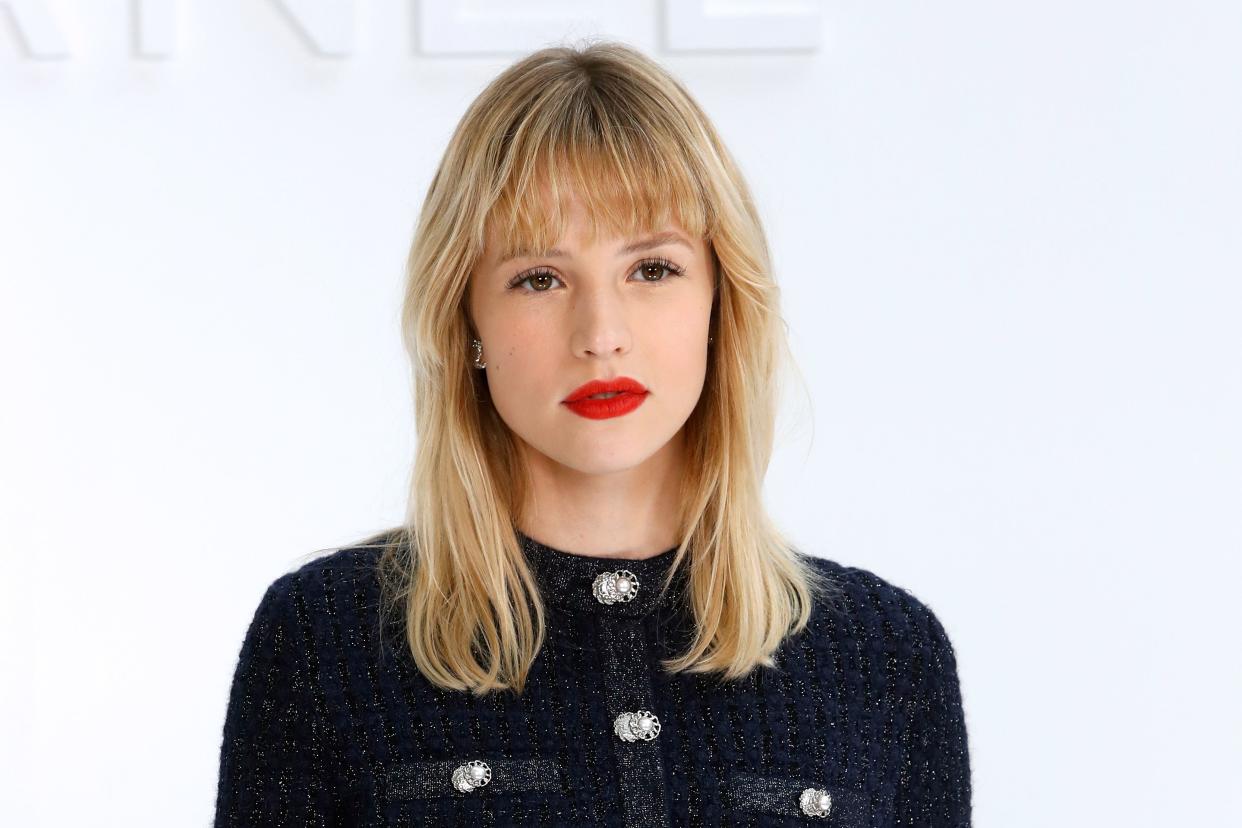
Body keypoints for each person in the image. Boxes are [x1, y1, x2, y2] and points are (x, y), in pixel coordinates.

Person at [213, 40, 971, 827]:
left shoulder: (887, 658)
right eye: (539, 278)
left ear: (722, 302)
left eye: (652, 269)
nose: (601, 334)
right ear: (466, 321)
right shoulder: (323, 640)